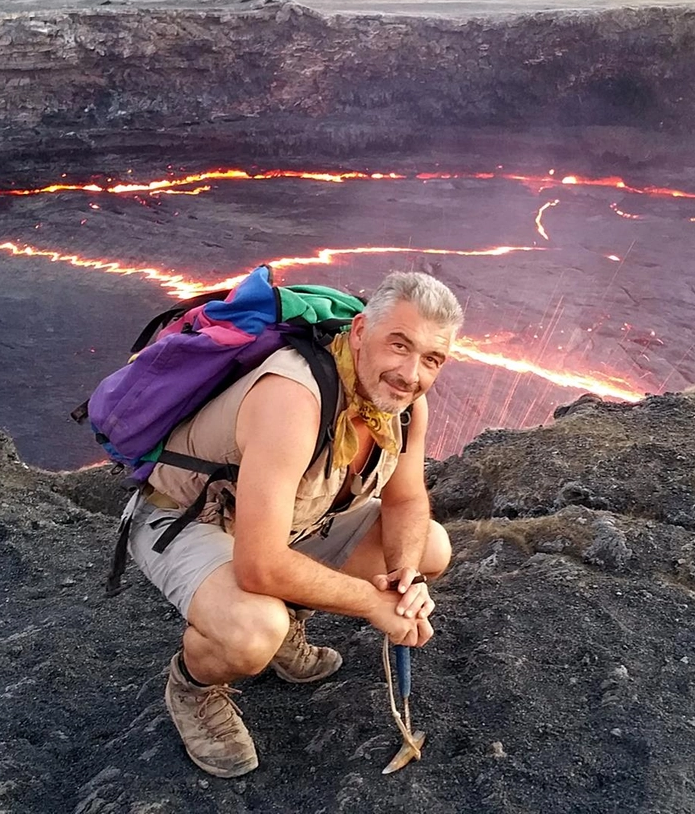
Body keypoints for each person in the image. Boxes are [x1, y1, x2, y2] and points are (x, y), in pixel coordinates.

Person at [120, 271, 461, 777]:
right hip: (184, 516)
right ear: (361, 331)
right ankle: (193, 686)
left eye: (432, 359)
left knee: (428, 547)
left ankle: (289, 626)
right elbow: (259, 567)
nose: (411, 373)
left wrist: (405, 577)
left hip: (286, 522)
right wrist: (373, 603)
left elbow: (406, 499)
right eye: (400, 345)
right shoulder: (293, 397)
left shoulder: (404, 406)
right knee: (254, 627)